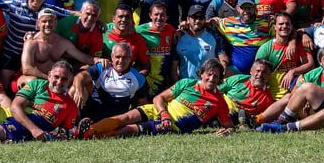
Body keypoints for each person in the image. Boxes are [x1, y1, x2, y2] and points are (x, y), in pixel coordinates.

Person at [84, 60, 236, 138]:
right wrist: (163, 113)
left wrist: (227, 132)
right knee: (126, 117)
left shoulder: (219, 101)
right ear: (202, 73)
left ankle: (94, 137)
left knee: (128, 130)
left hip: (171, 127)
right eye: (209, 74)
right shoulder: (187, 84)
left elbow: (229, 126)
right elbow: (159, 97)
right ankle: (88, 132)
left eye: (216, 76)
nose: (211, 78)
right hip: (159, 111)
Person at [81, 42, 149, 120]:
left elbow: (142, 102)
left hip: (118, 118)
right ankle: (72, 123)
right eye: (117, 57)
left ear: (130, 58)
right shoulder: (102, 68)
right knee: (75, 88)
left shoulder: (138, 78)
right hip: (95, 110)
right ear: (112, 57)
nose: (120, 61)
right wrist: (79, 89)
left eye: (125, 57)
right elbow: (80, 76)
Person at [137, 1, 179, 92]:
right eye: (156, 14)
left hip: (163, 81)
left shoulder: (171, 30)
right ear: (150, 15)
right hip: (145, 79)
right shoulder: (140, 30)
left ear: (167, 17)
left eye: (162, 15)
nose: (159, 18)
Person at [173, 7, 221, 82]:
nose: (198, 20)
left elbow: (223, 58)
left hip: (208, 85)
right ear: (188, 19)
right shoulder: (179, 37)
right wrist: (177, 88)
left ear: (205, 19)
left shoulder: (213, 35)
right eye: (194, 17)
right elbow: (173, 68)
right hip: (186, 87)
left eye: (201, 17)